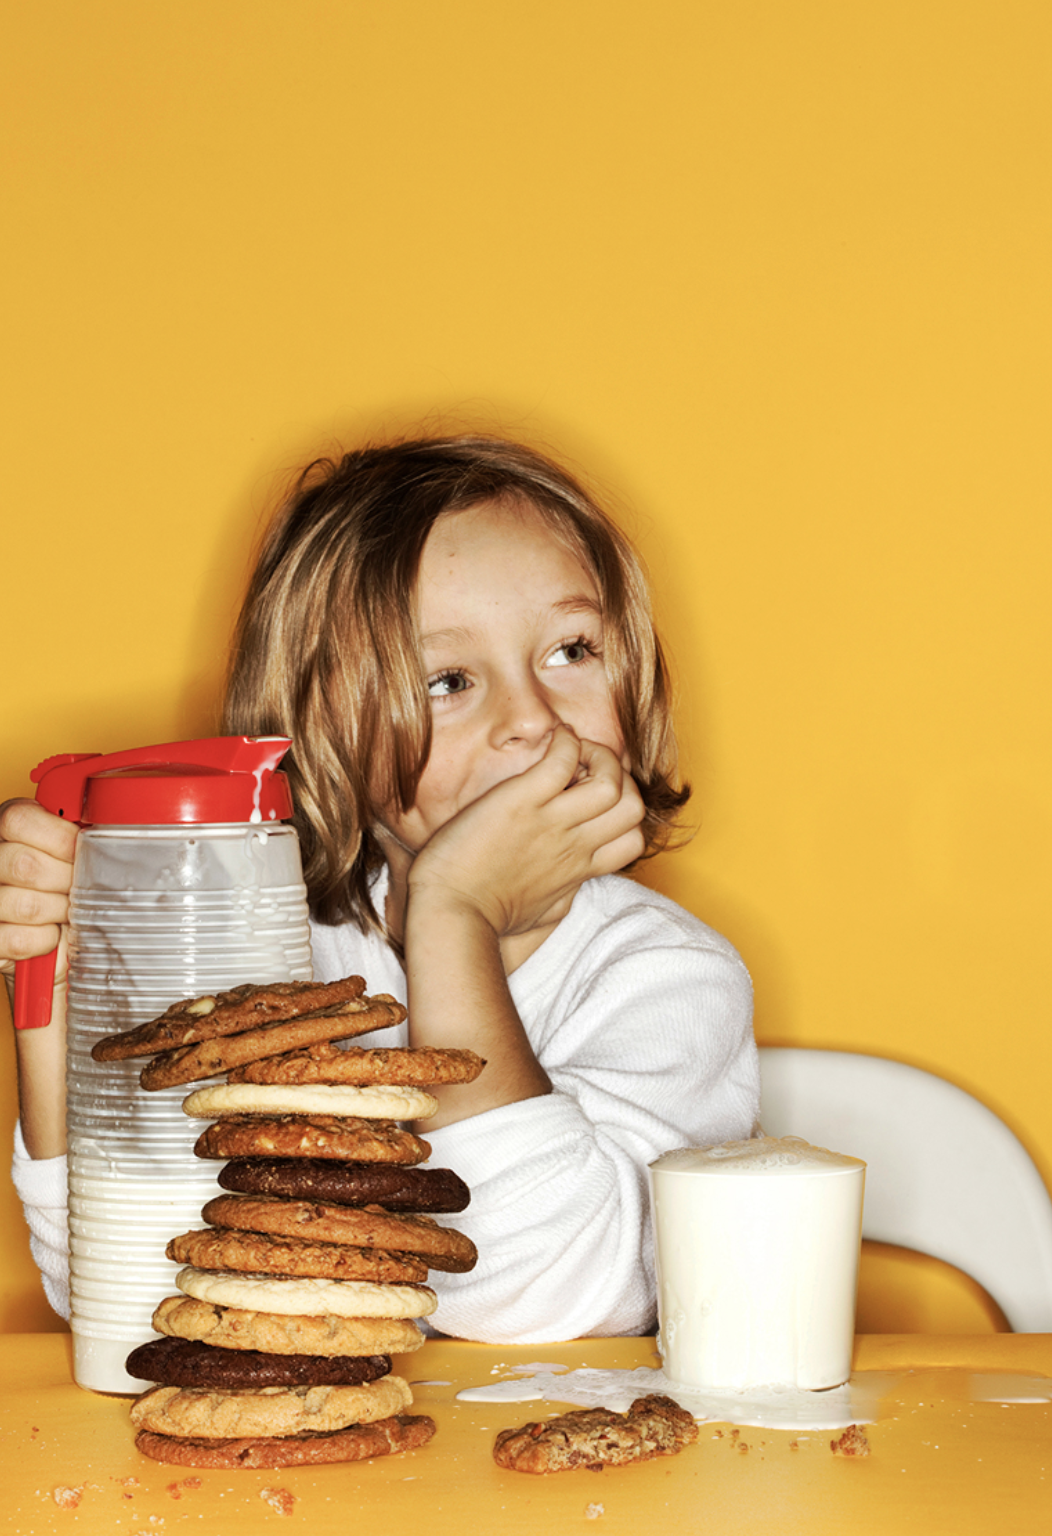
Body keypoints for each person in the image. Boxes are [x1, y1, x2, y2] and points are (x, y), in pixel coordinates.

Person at [1, 434, 758, 1342]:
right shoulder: (273, 956)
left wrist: (454, 913)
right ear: (322, 734)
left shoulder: (669, 978)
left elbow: (550, 1295)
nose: (532, 721)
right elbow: (132, 1293)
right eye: (448, 680)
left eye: (571, 650)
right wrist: (55, 974)